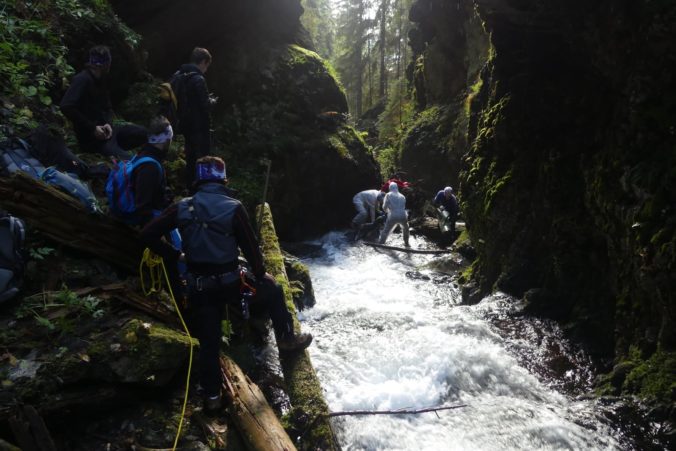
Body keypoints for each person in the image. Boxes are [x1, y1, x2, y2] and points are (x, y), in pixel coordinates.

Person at [140, 156, 312, 413]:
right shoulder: (233, 207)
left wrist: (175, 256)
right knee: (274, 290)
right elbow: (251, 250)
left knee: (209, 343)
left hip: (198, 288)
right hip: (233, 285)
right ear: (223, 180)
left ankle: (211, 397)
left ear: (197, 181)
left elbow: (147, 234)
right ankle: (286, 339)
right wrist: (262, 273)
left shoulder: (182, 208)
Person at [60, 45, 146, 159]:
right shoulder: (82, 79)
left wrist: (108, 124)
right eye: (109, 61)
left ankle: (117, 150)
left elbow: (108, 107)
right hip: (93, 140)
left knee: (143, 133)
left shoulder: (102, 80)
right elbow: (66, 106)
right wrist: (92, 128)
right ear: (103, 64)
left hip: (109, 132)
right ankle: (117, 153)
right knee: (130, 160)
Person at [171, 47, 215, 188]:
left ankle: (189, 187)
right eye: (206, 65)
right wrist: (212, 102)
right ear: (203, 62)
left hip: (183, 123)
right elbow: (205, 105)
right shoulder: (198, 79)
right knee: (202, 157)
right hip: (199, 126)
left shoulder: (178, 74)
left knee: (190, 157)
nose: (206, 70)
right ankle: (201, 188)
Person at [130, 116, 173, 227]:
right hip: (150, 225)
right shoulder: (150, 166)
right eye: (170, 139)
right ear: (165, 139)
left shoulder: (144, 154)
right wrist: (155, 236)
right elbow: (143, 207)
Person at [378, 182, 410, 247]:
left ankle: (381, 244)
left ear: (390, 188)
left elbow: (384, 207)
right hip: (403, 215)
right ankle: (407, 244)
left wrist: (387, 212)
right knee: (406, 229)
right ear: (397, 188)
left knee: (386, 231)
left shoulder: (388, 195)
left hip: (393, 215)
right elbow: (403, 207)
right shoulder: (402, 196)